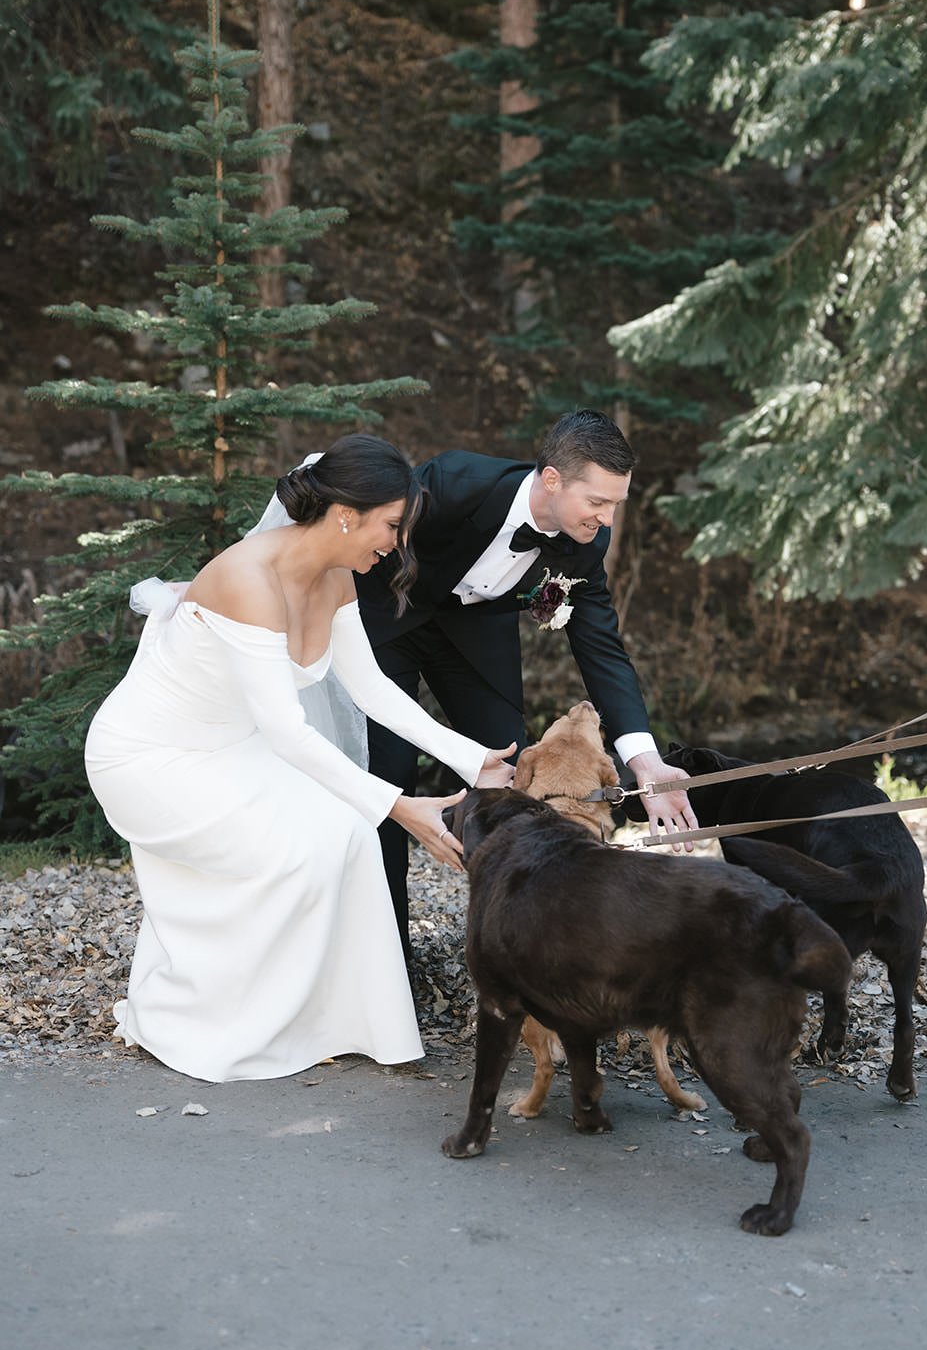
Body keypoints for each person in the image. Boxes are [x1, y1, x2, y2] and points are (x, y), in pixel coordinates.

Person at [84, 435, 513, 1084]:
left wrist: (473, 761)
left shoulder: (336, 577)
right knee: (286, 855)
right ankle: (206, 1019)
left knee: (348, 836)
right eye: (391, 525)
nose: (397, 544)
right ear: (345, 515)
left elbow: (370, 689)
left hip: (229, 750)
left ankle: (336, 1025)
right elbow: (286, 731)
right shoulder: (248, 580)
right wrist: (397, 806)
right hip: (150, 758)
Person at [356, 408, 699, 952]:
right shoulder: (450, 484)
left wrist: (644, 761)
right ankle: (386, 954)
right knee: (389, 774)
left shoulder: (585, 542)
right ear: (552, 480)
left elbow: (601, 648)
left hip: (473, 642)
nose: (607, 519)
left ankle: (521, 942)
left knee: (512, 775)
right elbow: (363, 539)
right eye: (598, 502)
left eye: (616, 504)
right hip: (387, 621)